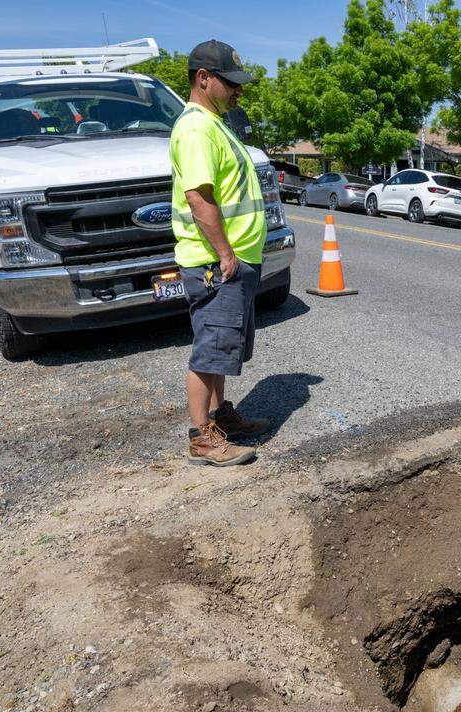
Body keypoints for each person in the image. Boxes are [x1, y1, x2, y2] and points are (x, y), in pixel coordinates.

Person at [170, 39, 272, 466]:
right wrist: (226, 253)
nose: (238, 91)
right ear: (203, 78)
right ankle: (202, 438)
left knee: (223, 349)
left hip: (233, 260)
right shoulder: (195, 128)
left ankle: (220, 417)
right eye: (230, 83)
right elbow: (199, 197)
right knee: (210, 347)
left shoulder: (215, 123)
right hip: (217, 262)